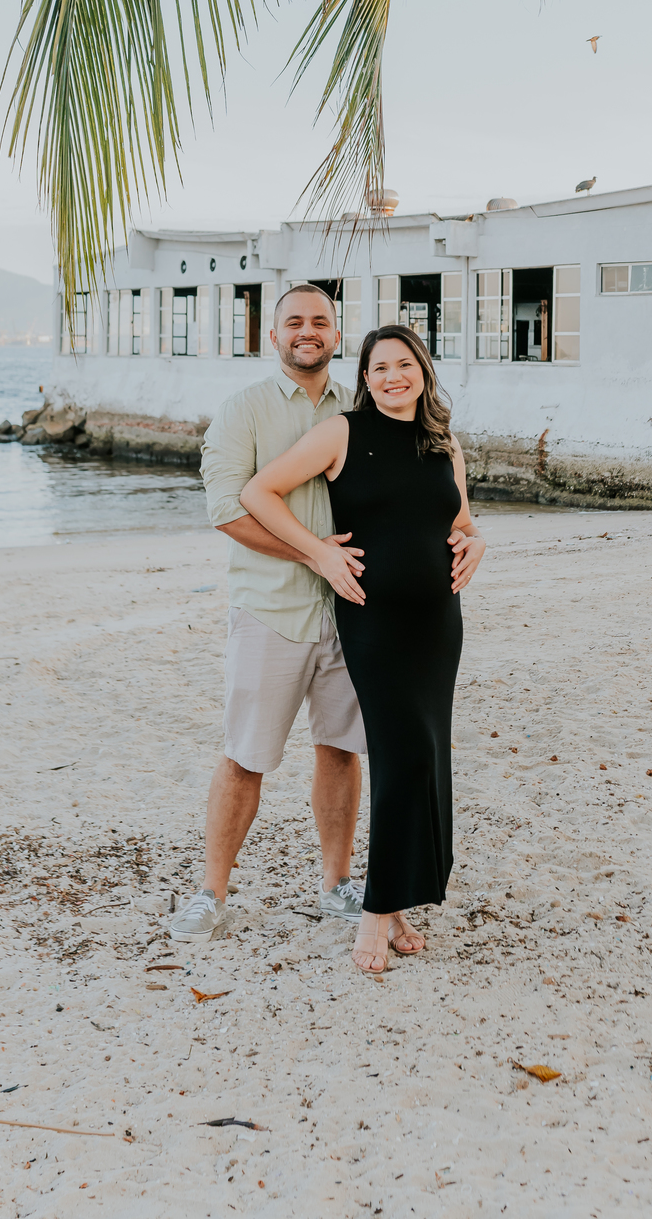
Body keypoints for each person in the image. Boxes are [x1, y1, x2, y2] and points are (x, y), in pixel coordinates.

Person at [241, 324, 486, 975]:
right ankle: (377, 913)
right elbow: (256, 492)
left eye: (404, 364)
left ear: (423, 370)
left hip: (439, 625)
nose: (392, 376)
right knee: (403, 755)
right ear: (366, 376)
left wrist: (478, 540)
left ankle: (397, 902)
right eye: (379, 367)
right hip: (373, 622)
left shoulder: (444, 441)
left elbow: (458, 519)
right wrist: (319, 553)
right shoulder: (343, 433)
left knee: (425, 759)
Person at [169, 284, 368, 946]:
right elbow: (227, 509)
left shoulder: (363, 408)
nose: (307, 331)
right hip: (270, 610)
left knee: (340, 748)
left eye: (321, 322)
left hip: (352, 613)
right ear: (273, 336)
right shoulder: (243, 410)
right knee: (245, 755)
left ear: (337, 336)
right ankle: (211, 891)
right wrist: (314, 555)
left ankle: (338, 882)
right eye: (294, 322)